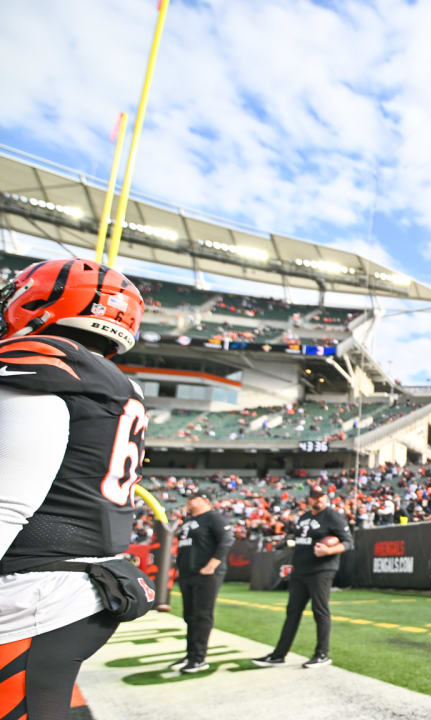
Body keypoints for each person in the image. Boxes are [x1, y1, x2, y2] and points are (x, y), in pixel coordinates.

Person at [0, 258, 146, 720]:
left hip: (37, 588)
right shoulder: (108, 382)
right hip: (77, 580)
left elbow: (6, 500)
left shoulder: (47, 368)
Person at [254, 488, 353, 669]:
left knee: (320, 610)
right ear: (309, 499)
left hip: (321, 569)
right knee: (292, 612)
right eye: (316, 497)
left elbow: (348, 542)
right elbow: (300, 541)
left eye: (322, 497)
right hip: (301, 570)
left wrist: (329, 550)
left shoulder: (333, 516)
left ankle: (322, 654)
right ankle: (279, 655)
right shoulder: (304, 517)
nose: (320, 500)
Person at [173, 493, 233, 673]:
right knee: (189, 616)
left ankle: (199, 658)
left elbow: (227, 539)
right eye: (188, 499)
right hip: (187, 573)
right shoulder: (189, 520)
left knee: (202, 615)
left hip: (206, 574)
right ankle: (190, 654)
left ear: (205, 501)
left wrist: (212, 565)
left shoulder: (213, 517)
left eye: (195, 498)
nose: (190, 502)